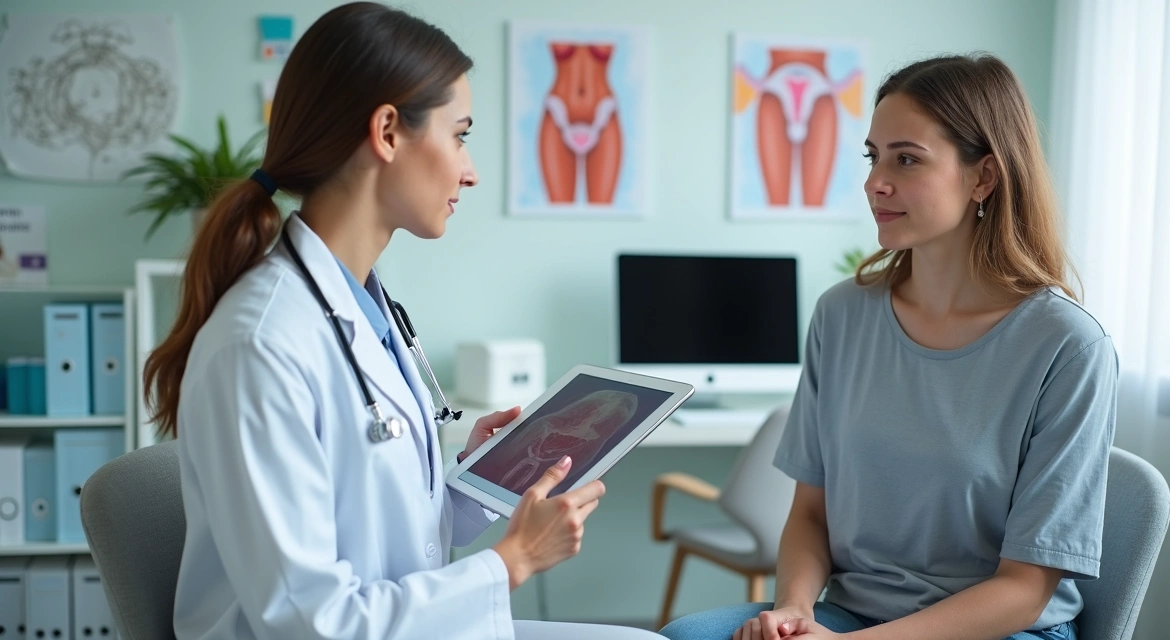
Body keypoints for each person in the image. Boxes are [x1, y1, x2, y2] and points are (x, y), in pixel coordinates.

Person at [142, 4, 662, 638]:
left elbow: (386, 535)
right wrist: (514, 562)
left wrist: (477, 483)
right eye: (460, 134)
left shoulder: (365, 308)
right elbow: (309, 623)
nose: (469, 172)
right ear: (388, 132)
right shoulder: (260, 345)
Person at [660, 53, 1116, 640]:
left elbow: (1025, 591)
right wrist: (796, 609)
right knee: (684, 636)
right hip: (848, 615)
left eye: (907, 159)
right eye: (874, 157)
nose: (876, 182)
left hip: (997, 629)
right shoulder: (841, 315)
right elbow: (809, 513)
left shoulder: (1068, 347)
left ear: (984, 177)